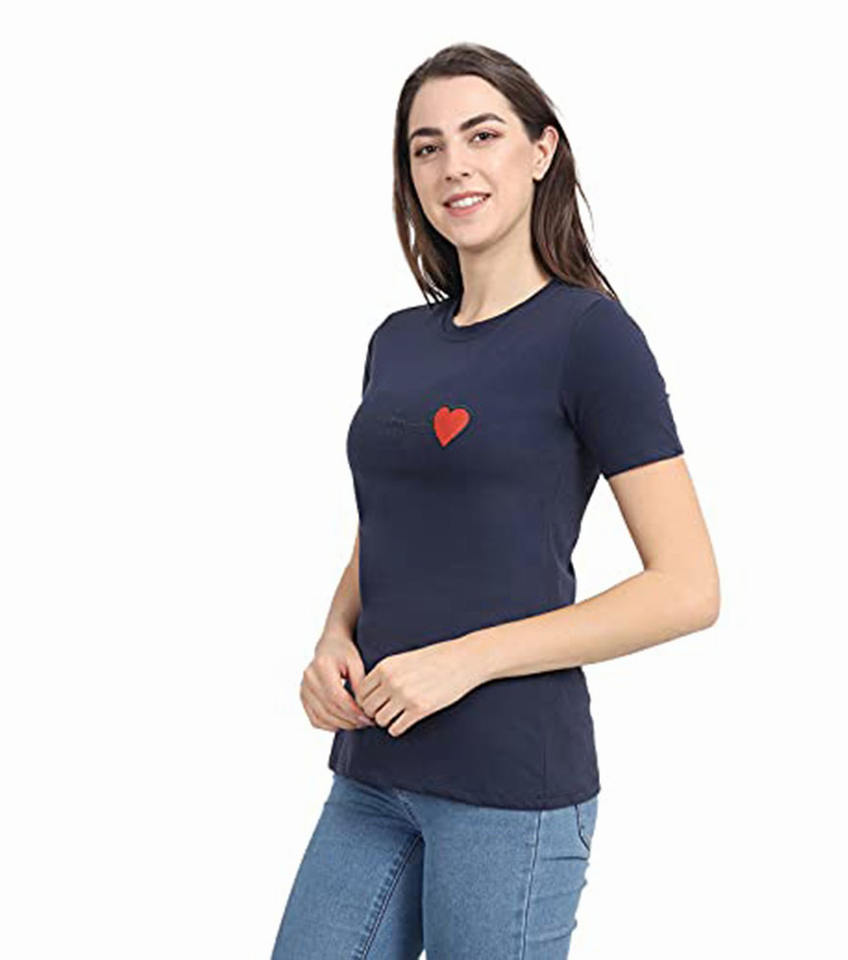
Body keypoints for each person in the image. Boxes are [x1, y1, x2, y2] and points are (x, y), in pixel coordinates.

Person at [271, 42, 720, 960]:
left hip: (509, 787)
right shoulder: (397, 340)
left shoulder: (591, 337)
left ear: (541, 150)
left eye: (482, 136)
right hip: (373, 769)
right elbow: (393, 523)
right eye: (427, 146)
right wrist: (332, 637)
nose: (454, 166)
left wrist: (464, 662)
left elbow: (687, 587)